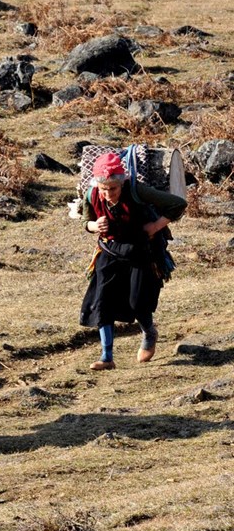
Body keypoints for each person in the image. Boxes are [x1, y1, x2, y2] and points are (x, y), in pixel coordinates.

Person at [80, 152, 186, 370]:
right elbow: (86, 219)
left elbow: (177, 204)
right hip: (109, 250)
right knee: (102, 301)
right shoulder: (92, 194)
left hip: (140, 250)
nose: (109, 194)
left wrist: (155, 227)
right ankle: (107, 357)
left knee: (137, 301)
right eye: (104, 189)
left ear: (122, 183)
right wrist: (94, 226)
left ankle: (149, 332)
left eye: (113, 189)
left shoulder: (137, 191)